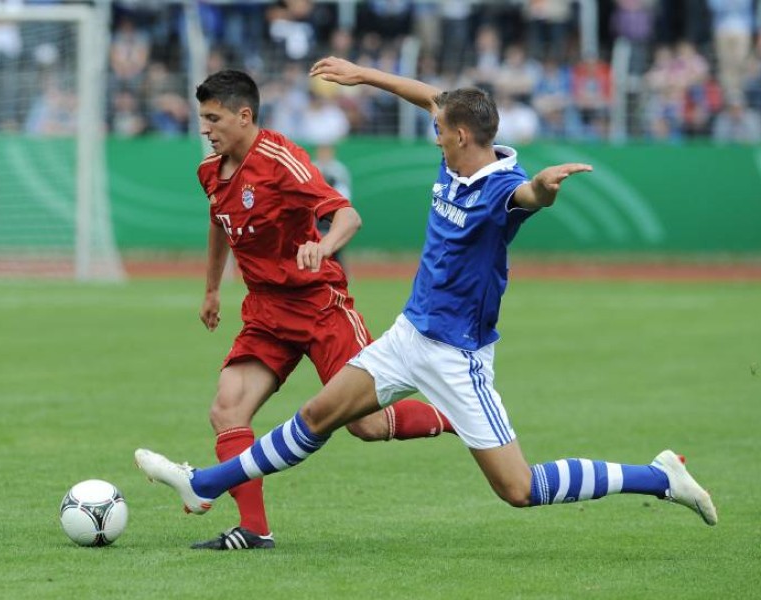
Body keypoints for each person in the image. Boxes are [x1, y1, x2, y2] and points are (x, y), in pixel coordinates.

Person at [136, 58, 717, 537]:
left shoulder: (499, 189)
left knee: (520, 489)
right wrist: (365, 75)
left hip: (457, 356)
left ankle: (658, 477)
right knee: (318, 416)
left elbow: (528, 196)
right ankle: (205, 483)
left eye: (441, 130)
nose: (434, 134)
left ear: (462, 137)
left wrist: (544, 188)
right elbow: (435, 98)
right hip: (408, 335)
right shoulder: (459, 149)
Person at [174, 69, 456, 551]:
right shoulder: (210, 172)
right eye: (202, 118)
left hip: (319, 306)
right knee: (226, 409)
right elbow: (220, 224)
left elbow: (348, 215)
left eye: (213, 118)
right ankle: (253, 530)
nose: (205, 128)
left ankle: (454, 414)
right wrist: (211, 291)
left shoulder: (281, 158)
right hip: (265, 312)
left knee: (364, 424)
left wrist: (323, 248)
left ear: (245, 115)